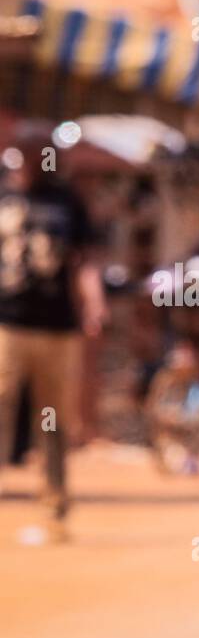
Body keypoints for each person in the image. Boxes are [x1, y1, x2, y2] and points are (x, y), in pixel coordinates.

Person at [0, 126, 105, 537]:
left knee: (52, 419)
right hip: (7, 323)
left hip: (58, 329)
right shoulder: (3, 192)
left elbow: (86, 261)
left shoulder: (66, 201)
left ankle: (54, 504)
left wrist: (93, 302)